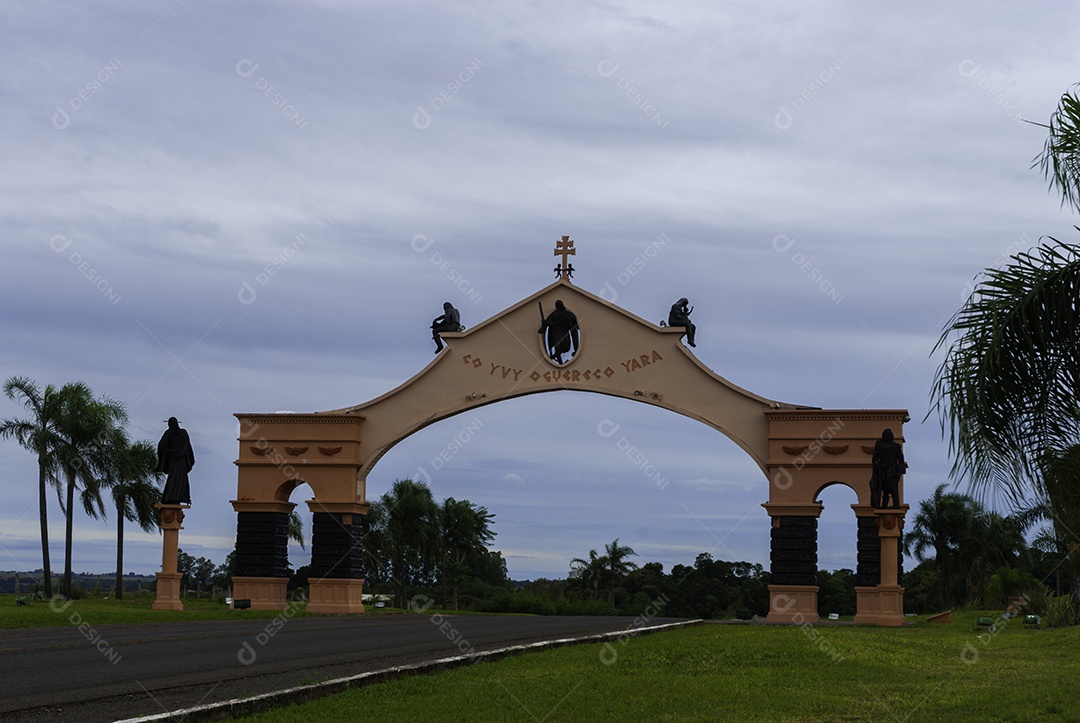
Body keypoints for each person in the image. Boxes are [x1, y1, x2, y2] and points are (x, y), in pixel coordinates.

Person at [157, 417, 194, 505]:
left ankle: (177, 498)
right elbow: (161, 445)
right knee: (172, 479)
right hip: (172, 460)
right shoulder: (168, 433)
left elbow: (185, 447)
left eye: (173, 424)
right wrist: (166, 448)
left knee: (179, 479)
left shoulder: (182, 433)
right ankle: (169, 498)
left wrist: (177, 452)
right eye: (170, 424)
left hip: (181, 460)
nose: (171, 426)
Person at [870, 428, 907, 508]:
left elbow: (901, 460)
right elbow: (875, 459)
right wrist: (877, 465)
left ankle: (896, 504)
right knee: (884, 489)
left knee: (894, 489)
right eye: (886, 435)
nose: (888, 436)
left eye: (889, 435)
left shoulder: (896, 447)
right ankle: (884, 505)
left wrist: (899, 471)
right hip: (882, 471)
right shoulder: (879, 447)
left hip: (892, 471)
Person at [538, 299, 579, 364]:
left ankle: (555, 357)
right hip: (556, 334)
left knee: (565, 347)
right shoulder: (554, 314)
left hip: (564, 333)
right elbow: (549, 322)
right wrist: (546, 323)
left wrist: (548, 323)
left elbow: (553, 322)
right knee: (558, 348)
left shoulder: (568, 314)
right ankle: (558, 360)